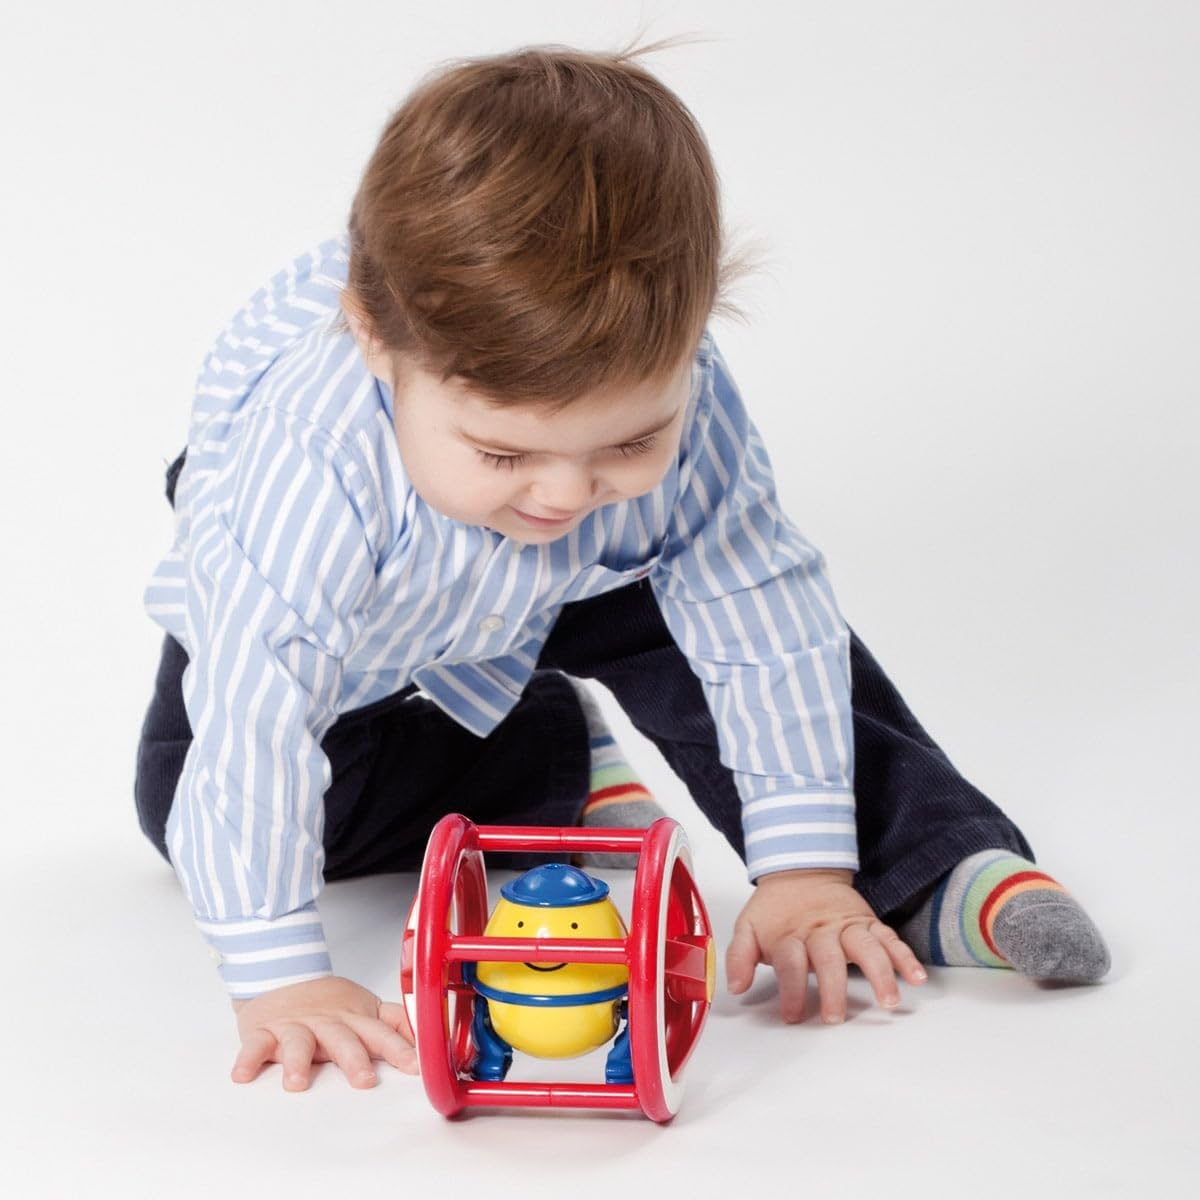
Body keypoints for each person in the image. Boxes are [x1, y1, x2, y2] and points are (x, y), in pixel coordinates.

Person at [135, 40, 1109, 1094]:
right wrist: (280, 977)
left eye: (630, 440)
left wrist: (805, 866)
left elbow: (760, 615)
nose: (562, 495)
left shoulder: (673, 409)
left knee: (721, 628)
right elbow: (260, 711)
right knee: (184, 801)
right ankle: (554, 759)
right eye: (503, 452)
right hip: (347, 598)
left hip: (593, 578)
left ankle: (931, 862)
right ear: (377, 341)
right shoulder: (308, 465)